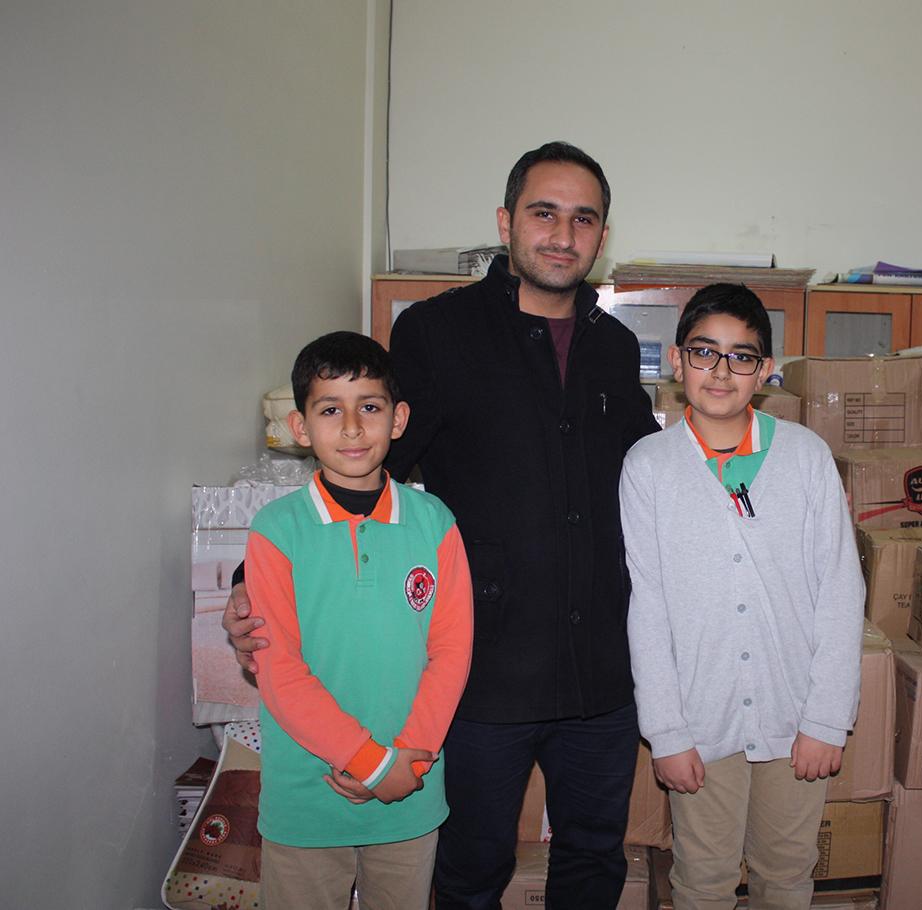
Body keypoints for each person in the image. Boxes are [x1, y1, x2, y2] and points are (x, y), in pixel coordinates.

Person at [224, 142, 660, 909]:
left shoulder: (615, 347)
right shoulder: (438, 331)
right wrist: (253, 579)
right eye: (544, 213)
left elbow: (648, 485)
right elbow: (370, 467)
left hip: (600, 670)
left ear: (601, 233)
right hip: (484, 668)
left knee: (594, 863)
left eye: (584, 218)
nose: (564, 234)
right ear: (506, 222)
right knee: (469, 874)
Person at [619, 284, 864, 909]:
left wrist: (826, 719)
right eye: (704, 352)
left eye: (742, 356)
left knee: (787, 874)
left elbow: (841, 591)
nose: (721, 371)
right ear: (677, 362)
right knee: (702, 880)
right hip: (700, 718)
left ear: (765, 370)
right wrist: (666, 732)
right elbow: (647, 606)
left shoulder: (806, 457)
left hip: (795, 714)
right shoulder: (648, 466)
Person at [247, 331, 474, 909]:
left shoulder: (435, 522)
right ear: (300, 427)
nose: (351, 427)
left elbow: (451, 651)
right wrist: (370, 763)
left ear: (398, 420)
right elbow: (278, 671)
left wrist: (406, 760)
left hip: (410, 788)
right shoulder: (275, 530)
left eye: (369, 407)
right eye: (330, 410)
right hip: (306, 797)